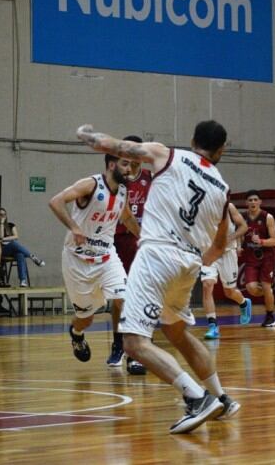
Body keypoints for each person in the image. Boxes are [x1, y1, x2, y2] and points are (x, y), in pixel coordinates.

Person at [76, 120, 240, 434]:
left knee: (134, 343)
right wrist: (194, 260)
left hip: (157, 256)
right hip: (189, 264)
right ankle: (222, 398)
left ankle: (197, 398)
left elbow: (112, 145)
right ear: (222, 150)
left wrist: (86, 134)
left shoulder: (168, 155)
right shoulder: (222, 188)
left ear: (192, 140)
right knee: (178, 334)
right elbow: (220, 244)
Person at [48, 154, 140, 365]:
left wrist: (142, 236)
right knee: (85, 319)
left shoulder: (124, 191)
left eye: (131, 165)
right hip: (77, 260)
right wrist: (74, 227)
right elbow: (55, 202)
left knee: (125, 299)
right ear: (111, 165)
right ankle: (76, 334)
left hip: (107, 256)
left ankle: (131, 354)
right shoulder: (90, 184)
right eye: (124, 164)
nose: (129, 169)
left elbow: (125, 217)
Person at [109, 134, 152, 375]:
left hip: (143, 241)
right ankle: (118, 342)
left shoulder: (150, 179)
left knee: (142, 294)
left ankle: (140, 344)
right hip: (118, 238)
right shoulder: (117, 178)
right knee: (119, 296)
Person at [201, 202, 252, 339]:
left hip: (227, 252)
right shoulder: (197, 206)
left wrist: (229, 238)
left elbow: (244, 227)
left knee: (229, 291)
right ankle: (212, 326)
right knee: (207, 285)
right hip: (209, 252)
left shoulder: (228, 206)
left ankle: (243, 303)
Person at [242, 190, 275, 327]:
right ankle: (269, 293)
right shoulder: (242, 218)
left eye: (255, 200)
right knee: (251, 288)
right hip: (251, 256)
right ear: (246, 203)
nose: (253, 202)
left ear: (260, 202)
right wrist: (238, 246)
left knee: (266, 285)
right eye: (250, 200)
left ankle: (270, 316)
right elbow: (240, 235)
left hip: (267, 257)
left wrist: (261, 242)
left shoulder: (267, 217)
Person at [0, 208, 45, 287]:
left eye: (4, 214)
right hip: (1, 250)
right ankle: (32, 256)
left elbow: (16, 236)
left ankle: (23, 281)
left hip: (12, 248)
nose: (3, 216)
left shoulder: (11, 225)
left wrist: (4, 239)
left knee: (20, 254)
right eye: (0, 215)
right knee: (13, 243)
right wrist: (1, 224)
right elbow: (0, 236)